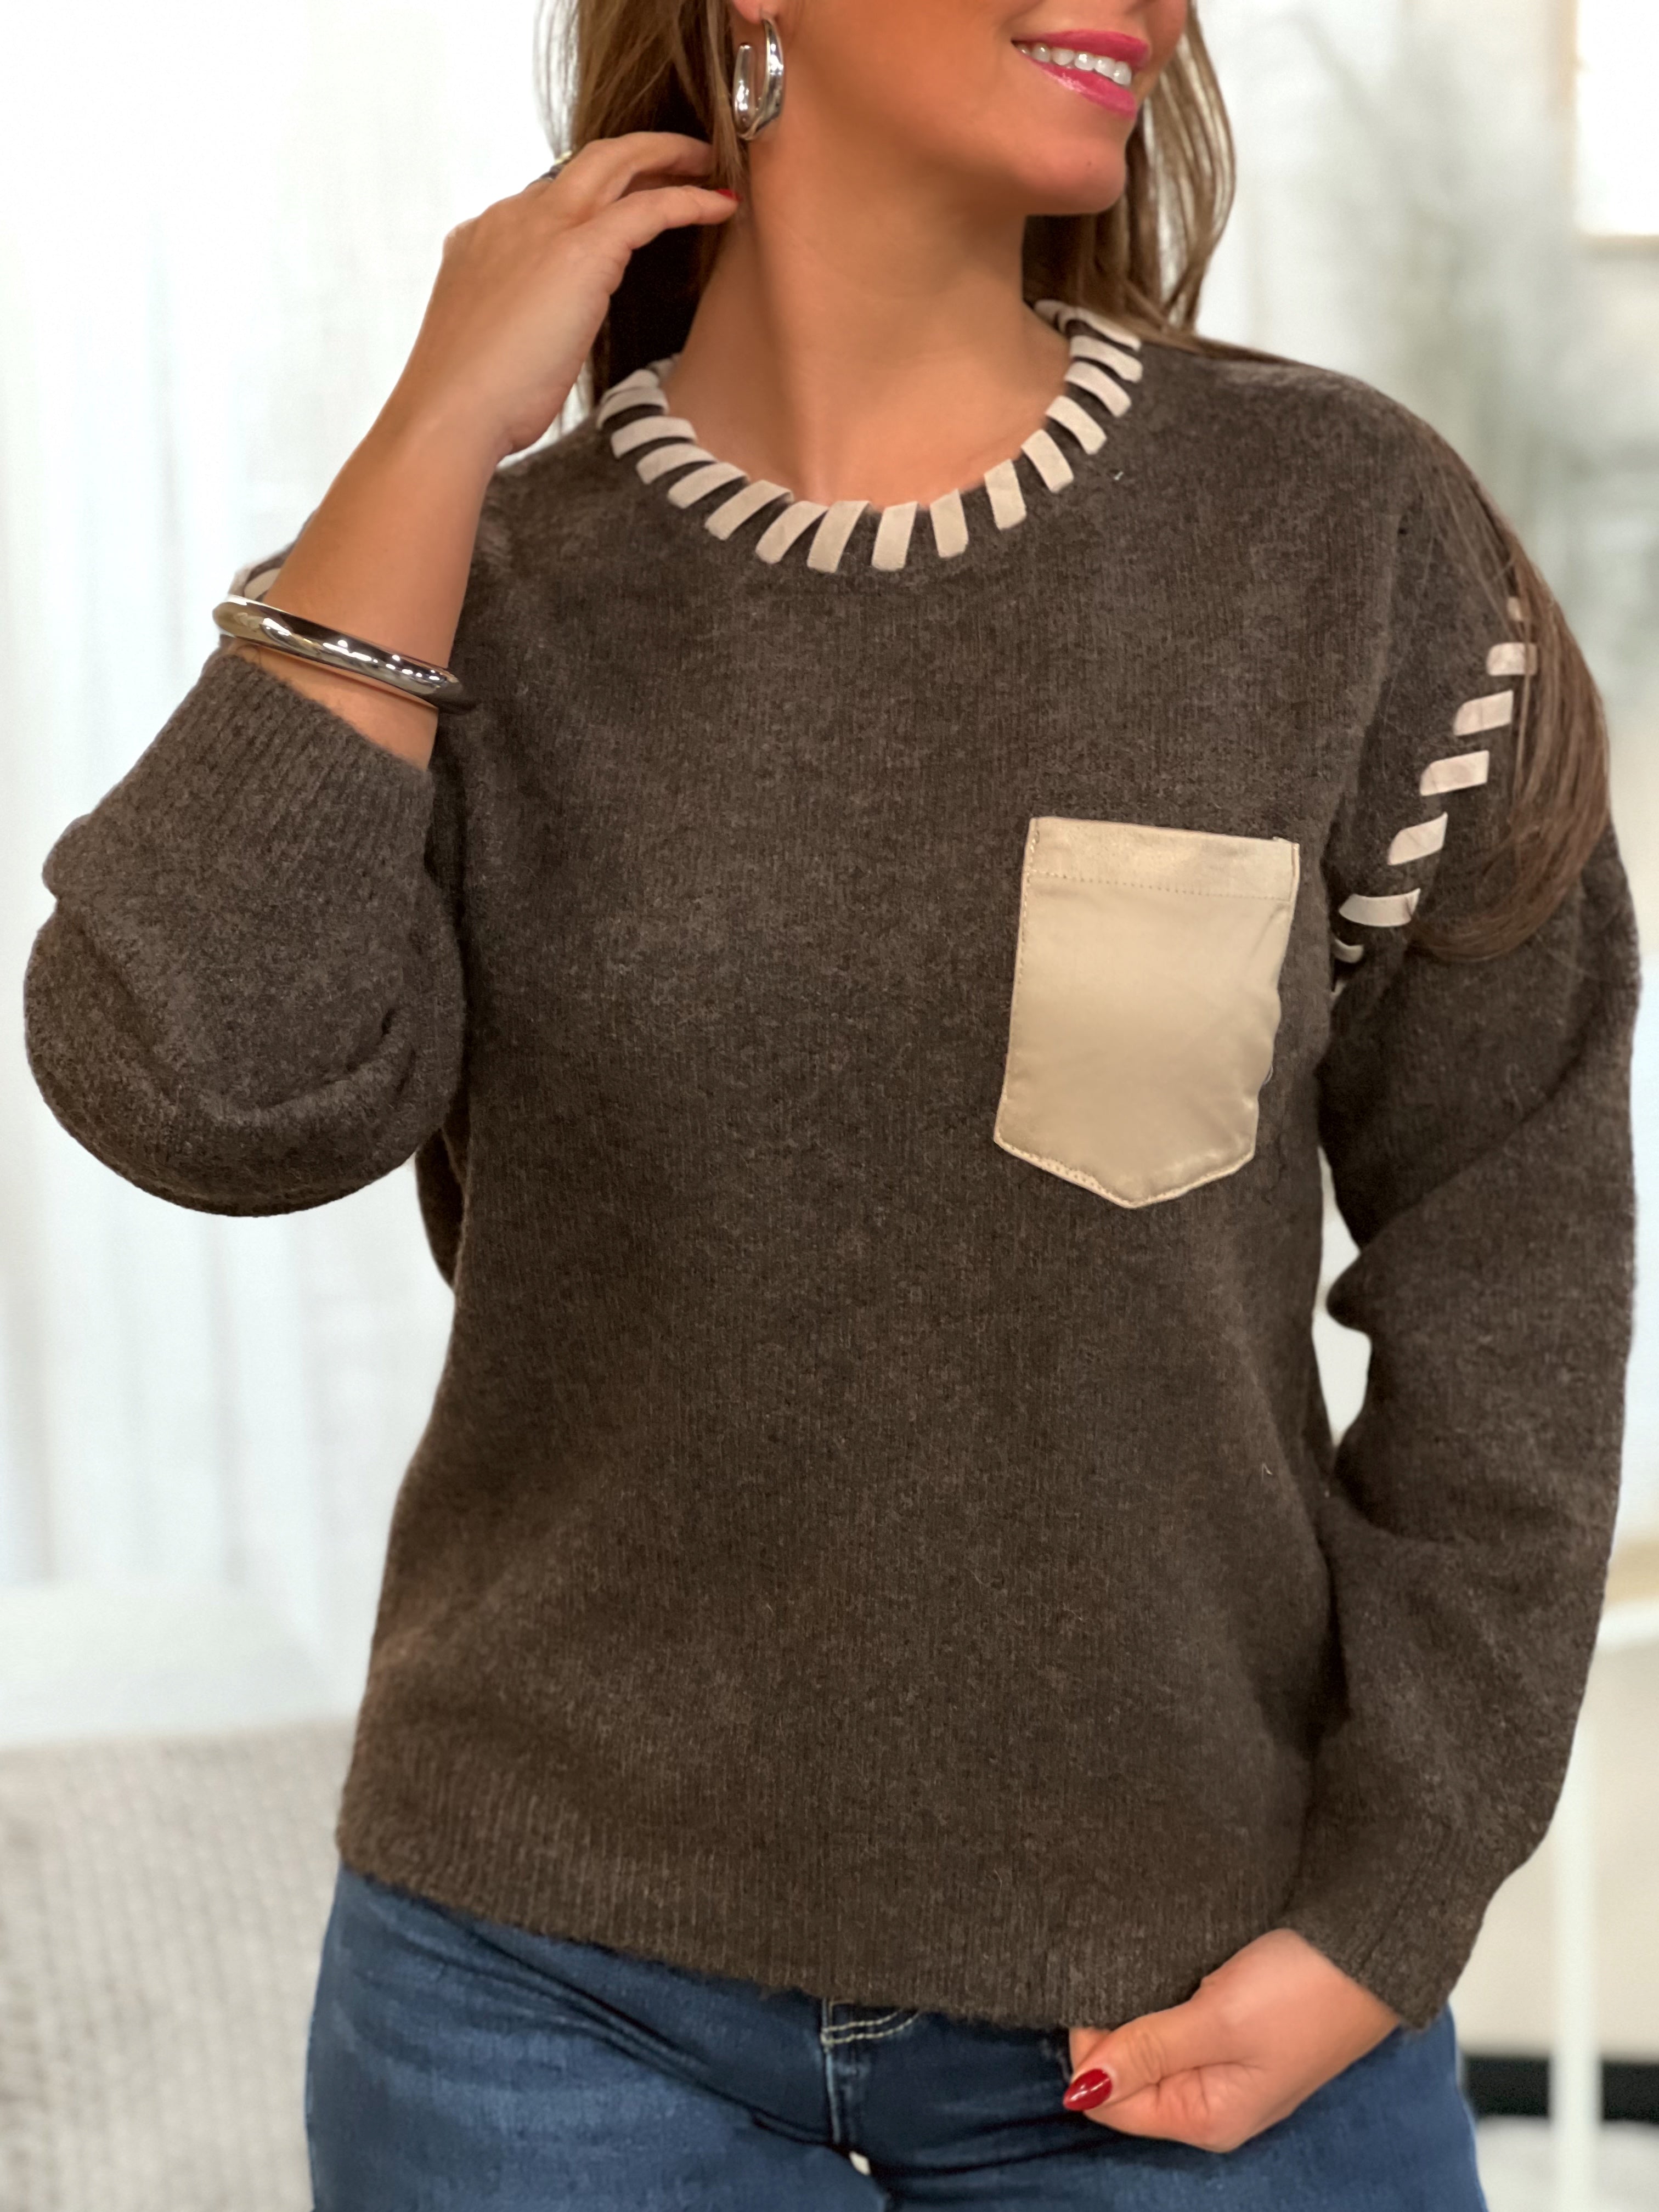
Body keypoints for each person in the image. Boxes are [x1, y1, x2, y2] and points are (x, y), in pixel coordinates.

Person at [23, 1, 1639, 2204]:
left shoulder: (1335, 542)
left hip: (1194, 2010)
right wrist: (433, 432)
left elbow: (1516, 1260)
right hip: (535, 2019)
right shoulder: (495, 589)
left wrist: (1399, 1895)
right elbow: (198, 1085)